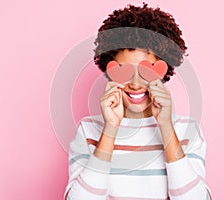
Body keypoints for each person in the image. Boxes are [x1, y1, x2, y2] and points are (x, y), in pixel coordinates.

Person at [64, 3, 212, 200]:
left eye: (146, 71)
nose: (135, 84)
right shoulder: (88, 130)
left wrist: (166, 126)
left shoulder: (188, 131)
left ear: (164, 69)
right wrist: (110, 128)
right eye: (124, 70)